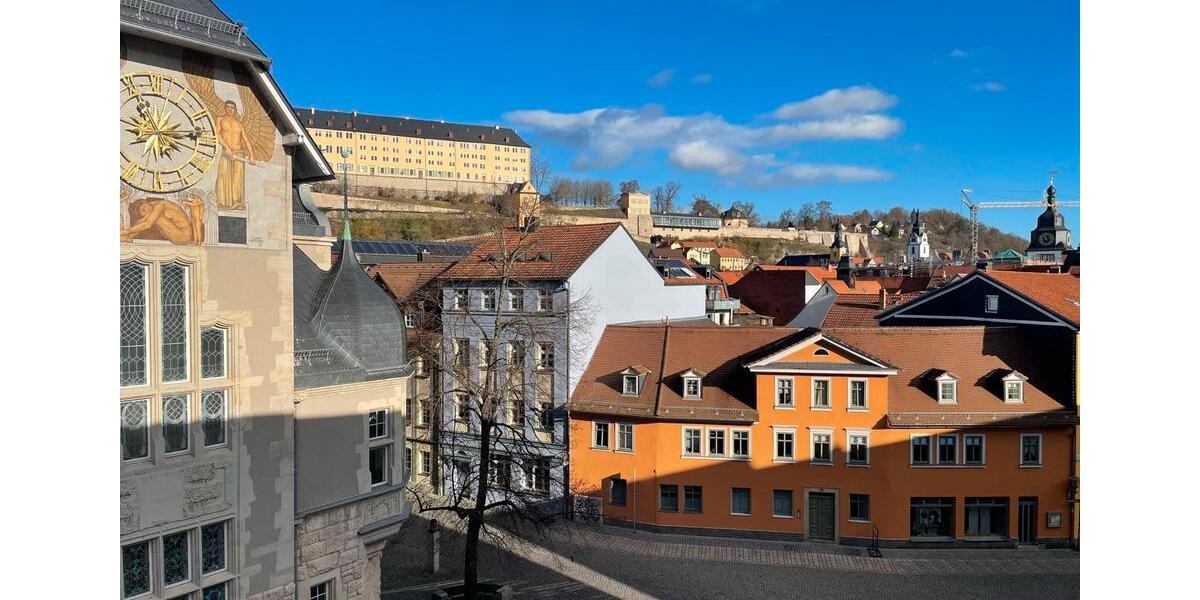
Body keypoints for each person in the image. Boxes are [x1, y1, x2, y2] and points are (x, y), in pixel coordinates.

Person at [214, 100, 255, 210]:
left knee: (237, 178)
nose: (230, 109)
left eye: (232, 107)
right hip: (226, 153)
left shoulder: (239, 124)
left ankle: (237, 202)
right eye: (228, 107)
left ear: (235, 110)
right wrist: (227, 148)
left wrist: (251, 156)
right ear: (225, 108)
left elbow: (246, 140)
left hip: (239, 154)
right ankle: (221, 202)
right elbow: (216, 135)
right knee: (222, 175)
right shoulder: (220, 120)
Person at [121, 195, 203, 245]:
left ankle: (126, 235)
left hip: (183, 236)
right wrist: (128, 235)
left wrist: (127, 231)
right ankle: (126, 236)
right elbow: (145, 221)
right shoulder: (152, 209)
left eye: (143, 209)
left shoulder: (161, 204)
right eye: (143, 213)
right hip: (176, 235)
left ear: (144, 201)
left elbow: (147, 223)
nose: (145, 212)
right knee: (151, 218)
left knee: (155, 218)